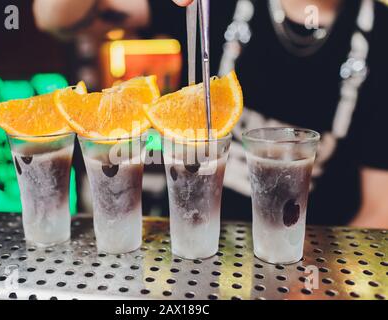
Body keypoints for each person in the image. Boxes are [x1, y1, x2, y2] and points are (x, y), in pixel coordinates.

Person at [33, 0, 388, 228]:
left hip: (303, 259)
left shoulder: (381, 38)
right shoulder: (213, 5)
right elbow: (56, 17)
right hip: (194, 247)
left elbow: (380, 212)